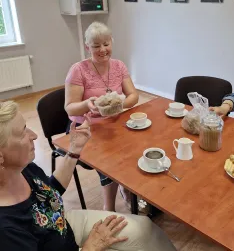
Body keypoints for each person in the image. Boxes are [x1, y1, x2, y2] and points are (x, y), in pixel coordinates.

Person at [0, 101, 177, 251]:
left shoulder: (24, 169)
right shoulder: (7, 232)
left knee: (144, 228)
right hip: (64, 242)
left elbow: (49, 191)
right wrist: (90, 246)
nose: (34, 135)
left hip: (61, 226)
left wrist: (74, 151)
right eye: (23, 132)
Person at [65, 22, 139, 211]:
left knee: (137, 146)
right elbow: (70, 109)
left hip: (112, 123)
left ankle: (127, 185)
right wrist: (86, 104)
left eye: (106, 43)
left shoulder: (119, 66)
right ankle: (109, 208)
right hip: (85, 127)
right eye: (96, 45)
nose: (103, 50)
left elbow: (134, 96)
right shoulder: (78, 70)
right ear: (87, 47)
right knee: (111, 157)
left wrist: (117, 104)